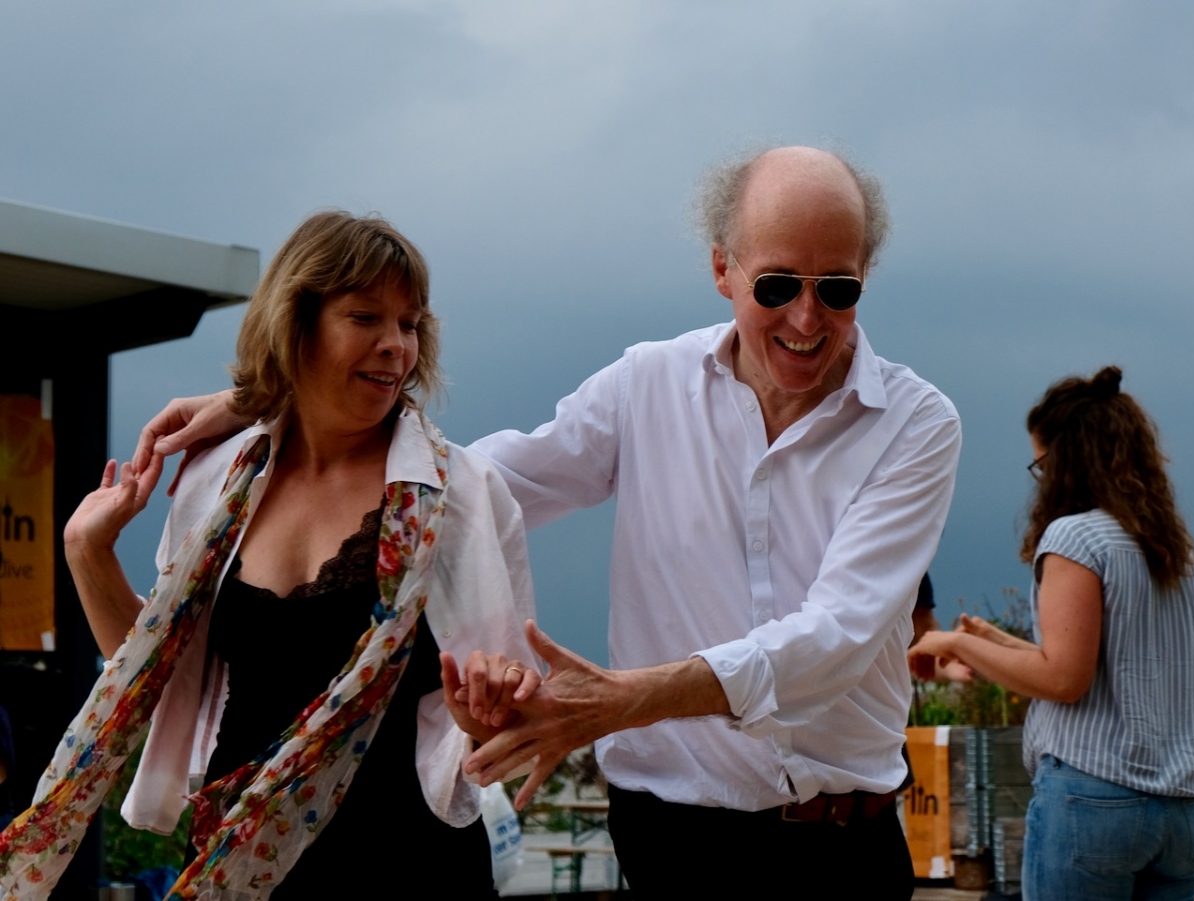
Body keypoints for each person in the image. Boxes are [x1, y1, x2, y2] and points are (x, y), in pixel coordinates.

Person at [132, 147, 961, 898]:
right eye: (778, 286)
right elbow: (472, 485)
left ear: (865, 277)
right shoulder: (647, 384)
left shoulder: (917, 424)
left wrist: (624, 701)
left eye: (837, 289)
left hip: (843, 849)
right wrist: (285, 399)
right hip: (670, 841)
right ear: (722, 268)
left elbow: (837, 639)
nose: (807, 318)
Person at [0, 212, 539, 900]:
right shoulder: (217, 479)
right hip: (240, 860)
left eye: (409, 324)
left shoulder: (461, 492)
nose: (394, 346)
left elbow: (515, 716)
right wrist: (87, 551)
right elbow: (164, 680)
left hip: (407, 857)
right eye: (365, 317)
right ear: (296, 322)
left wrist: (488, 714)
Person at [909, 366, 1194, 901]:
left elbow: (1065, 680)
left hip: (1095, 798)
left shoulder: (1074, 537)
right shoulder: (1177, 553)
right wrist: (998, 644)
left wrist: (954, 642)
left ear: (1066, 460)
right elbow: (1100, 666)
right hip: (1183, 810)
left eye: (1041, 464)